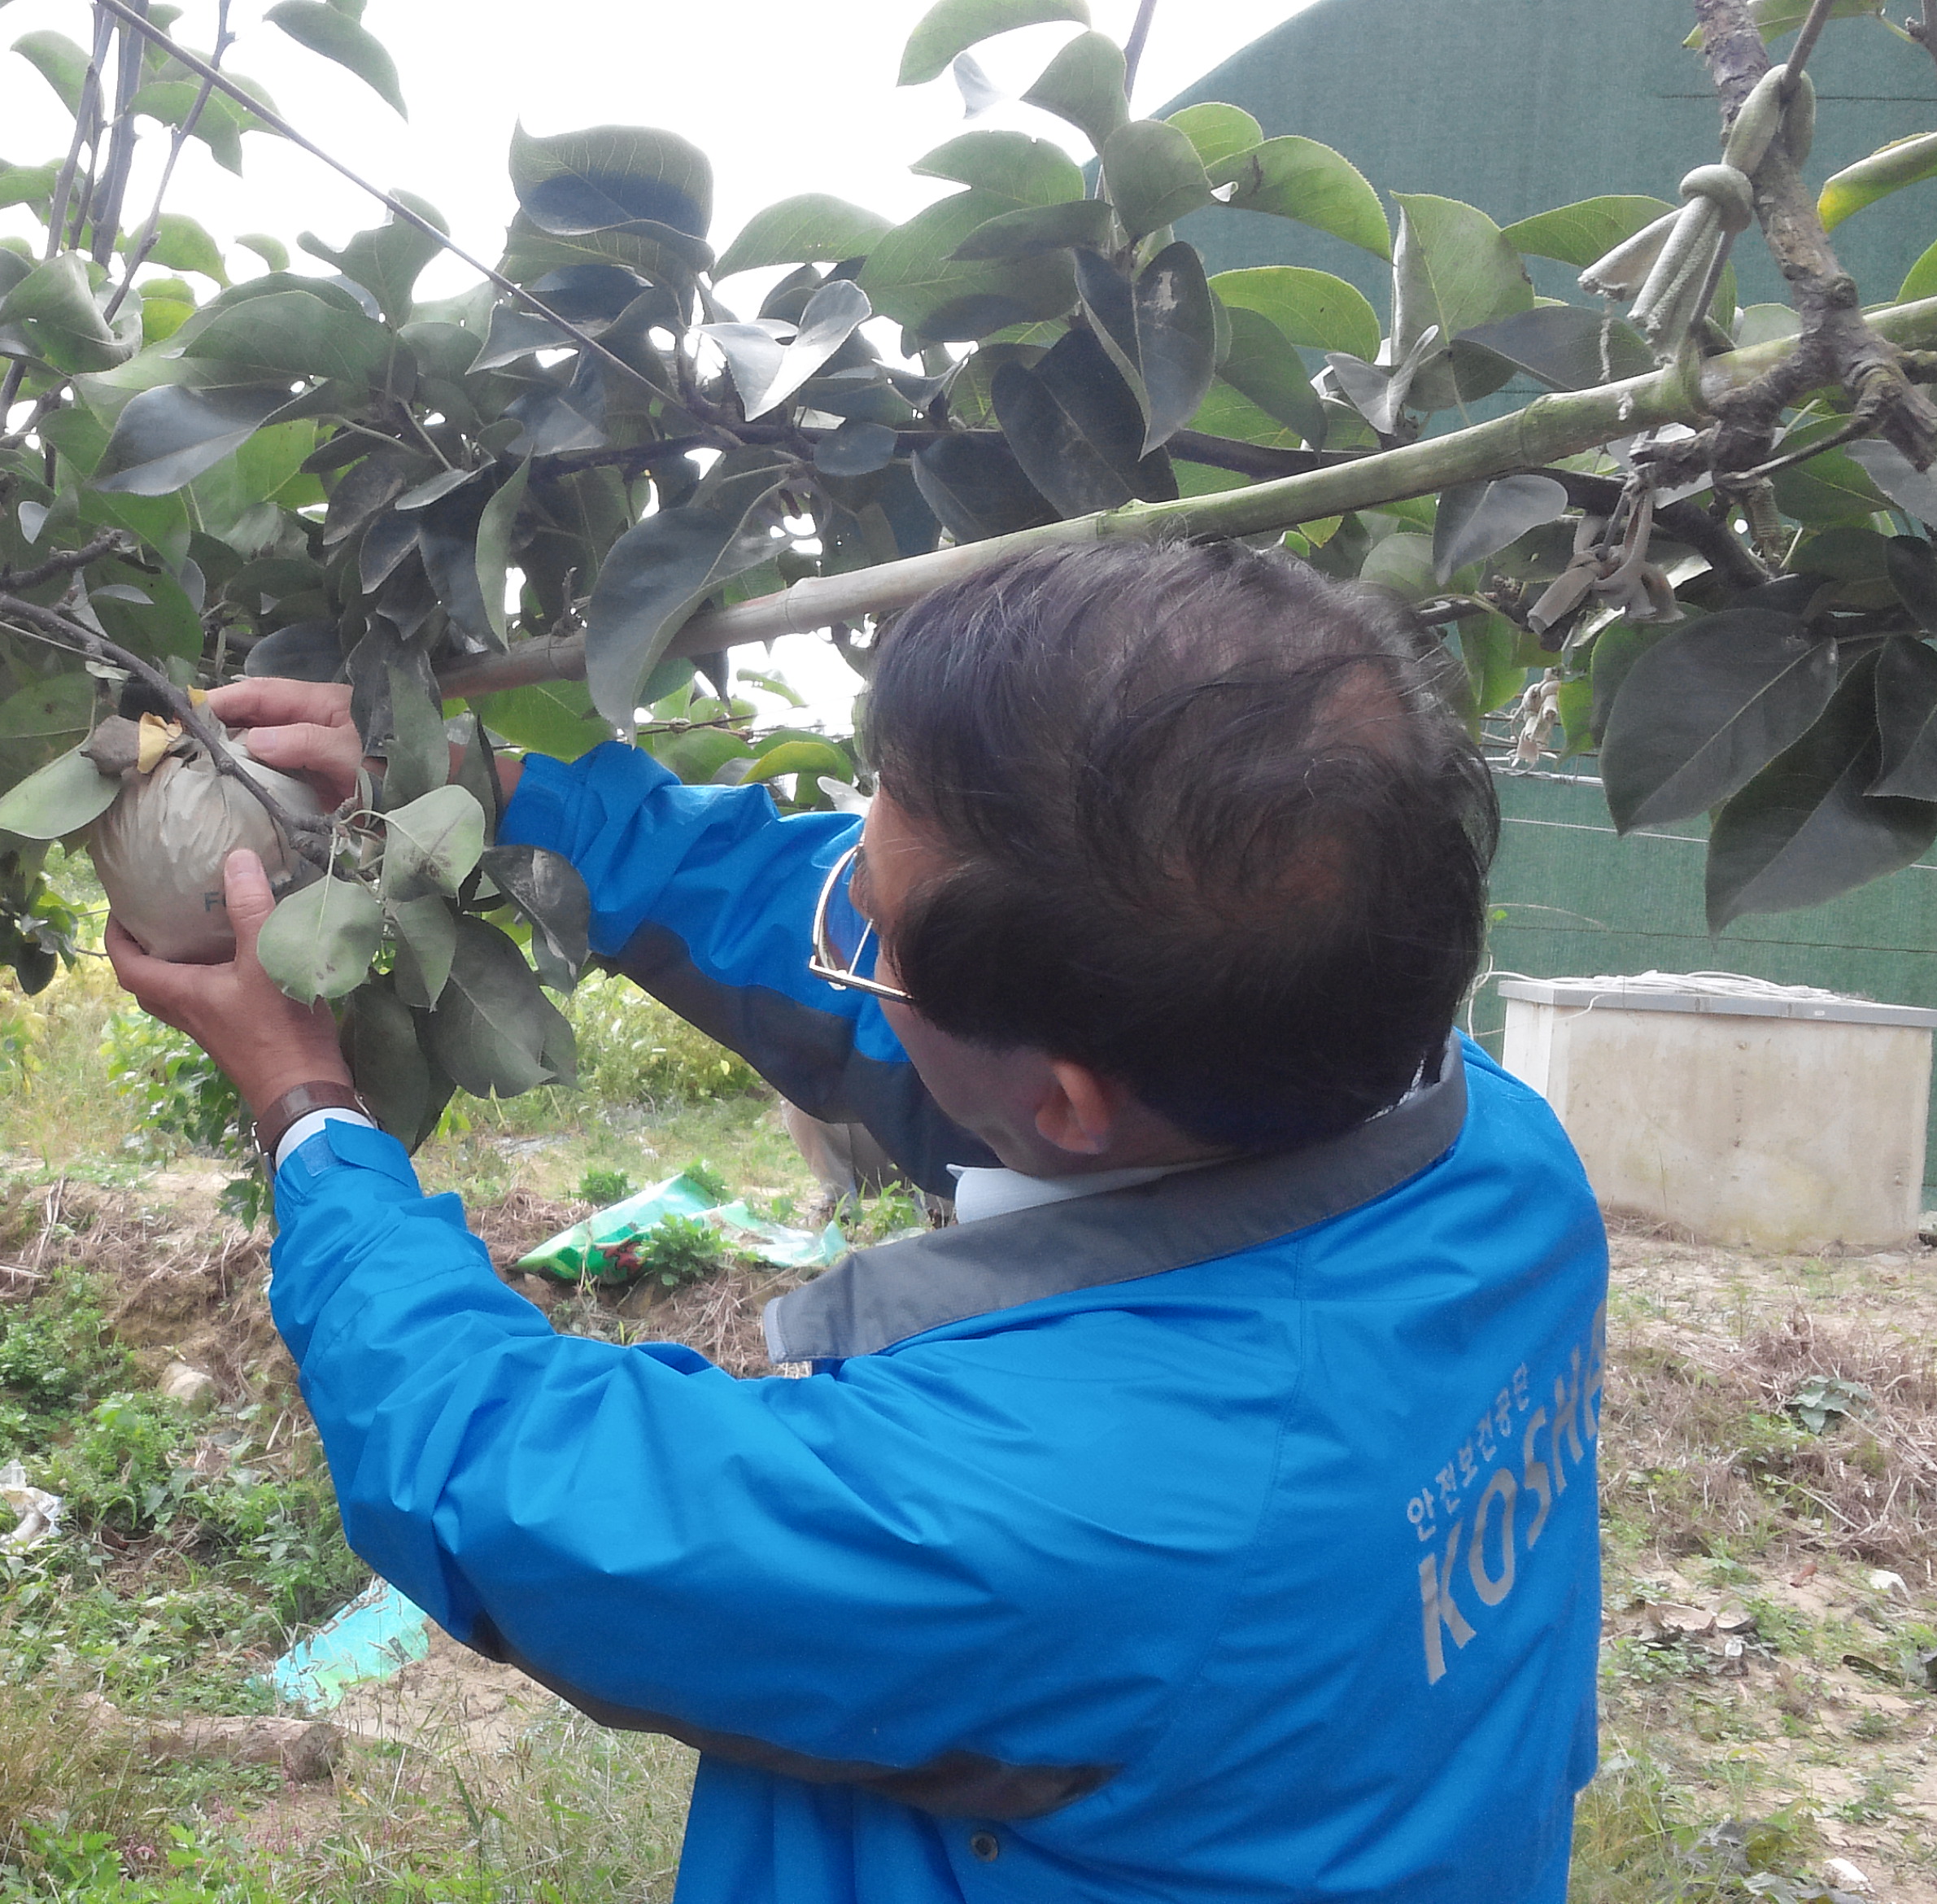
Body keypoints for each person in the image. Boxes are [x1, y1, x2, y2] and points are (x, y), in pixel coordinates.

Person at [107, 539, 1607, 1902]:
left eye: (874, 929)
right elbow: (880, 951)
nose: (843, 922)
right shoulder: (1489, 1156)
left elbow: (513, 1485)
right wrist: (518, 800)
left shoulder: (1030, 1517)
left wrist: (310, 1113)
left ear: (1069, 1103)